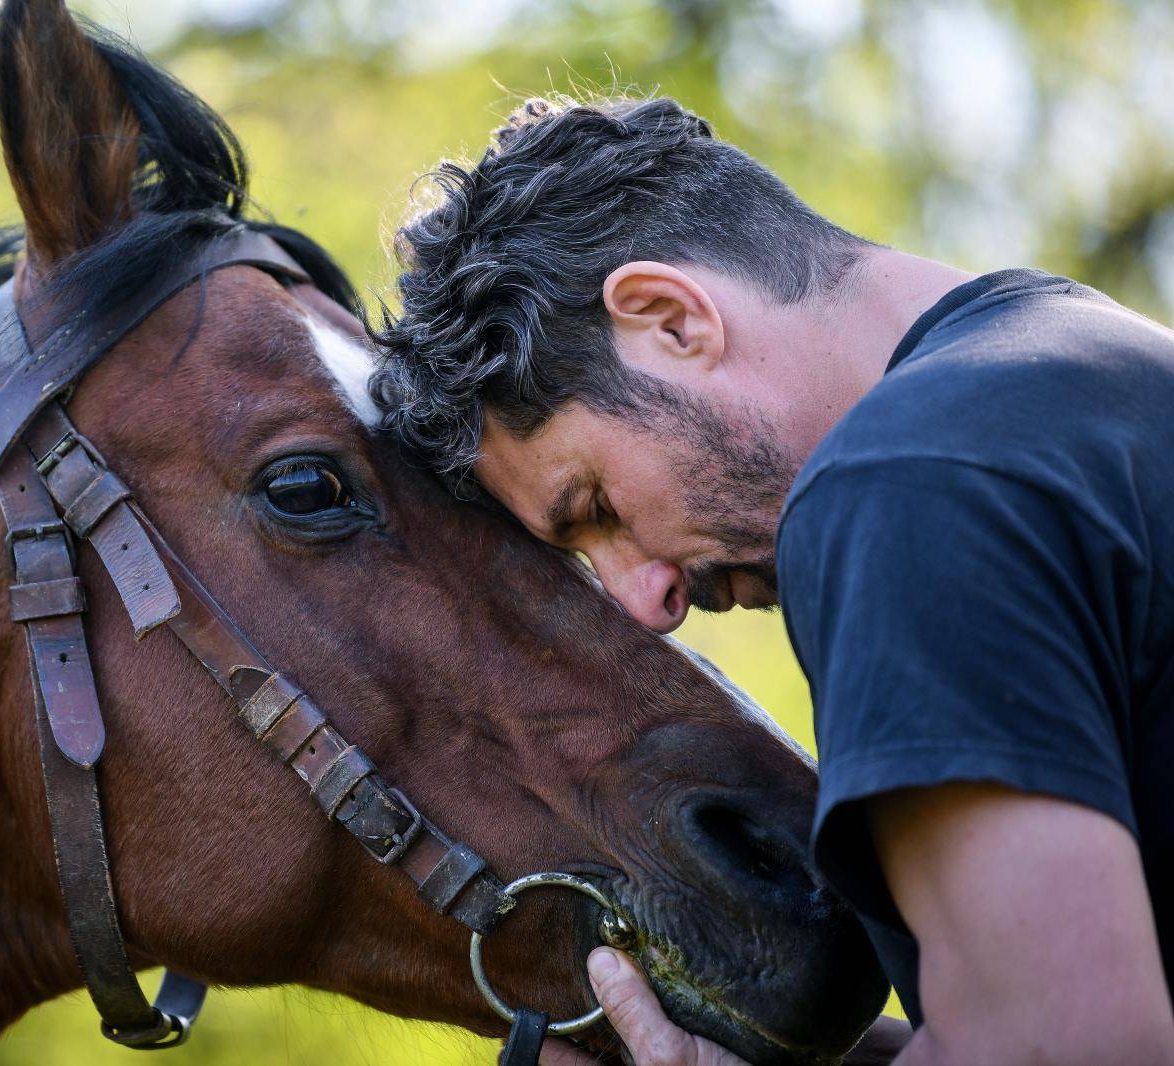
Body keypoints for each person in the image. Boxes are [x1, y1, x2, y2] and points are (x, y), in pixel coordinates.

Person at [371, 95, 1174, 1065]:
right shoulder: (1099, 374)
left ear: (668, 319)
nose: (643, 600)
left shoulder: (901, 488)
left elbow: (1071, 1044)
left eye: (596, 509)